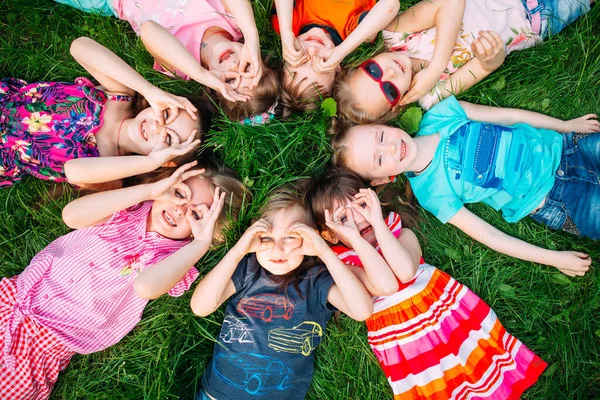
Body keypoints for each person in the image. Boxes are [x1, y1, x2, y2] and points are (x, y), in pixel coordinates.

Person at [0, 161, 248, 399]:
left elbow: (146, 287)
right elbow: (72, 215)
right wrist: (150, 191)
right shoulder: (126, 209)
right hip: (11, 300)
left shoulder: (174, 261)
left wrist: (201, 243)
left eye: (196, 214)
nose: (180, 209)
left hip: (42, 348)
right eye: (180, 194)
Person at [306, 167, 548, 399]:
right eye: (343, 217)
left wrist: (379, 224)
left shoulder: (400, 234)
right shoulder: (345, 265)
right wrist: (356, 240)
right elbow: (384, 284)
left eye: (360, 205)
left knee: (475, 361)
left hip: (443, 312)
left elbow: (405, 271)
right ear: (329, 234)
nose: (358, 218)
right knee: (435, 386)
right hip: (404, 340)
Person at [330, 96, 600, 275]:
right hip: (556, 200)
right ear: (380, 180)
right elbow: (490, 236)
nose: (389, 147)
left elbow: (505, 116)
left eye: (380, 136)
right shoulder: (431, 193)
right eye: (379, 159)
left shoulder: (440, 115)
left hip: (567, 147)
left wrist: (564, 126)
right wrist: (553, 259)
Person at [190, 184, 373, 399]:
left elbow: (362, 310)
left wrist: (324, 252)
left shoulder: (316, 281)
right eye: (266, 238)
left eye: (290, 237)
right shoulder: (247, 269)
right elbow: (200, 307)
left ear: (310, 238)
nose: (278, 249)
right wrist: (239, 250)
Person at [334, 0, 593, 123]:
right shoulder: (431, 96)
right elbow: (486, 67)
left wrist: (436, 68)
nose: (389, 72)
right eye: (388, 90)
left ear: (366, 60)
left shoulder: (396, 34)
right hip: (537, 20)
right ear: (397, 106)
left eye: (373, 70)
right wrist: (490, 57)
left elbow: (451, 2)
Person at [0, 37, 202, 190]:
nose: (158, 126)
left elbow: (73, 171)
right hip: (6, 100)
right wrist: (149, 90)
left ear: (166, 158)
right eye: (166, 115)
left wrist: (151, 163)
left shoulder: (112, 170)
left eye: (168, 137)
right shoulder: (119, 97)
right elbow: (80, 47)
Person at [55, 0, 279, 122]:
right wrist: (251, 37)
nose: (234, 66)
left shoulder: (183, 66)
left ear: (215, 88)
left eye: (231, 81)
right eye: (247, 67)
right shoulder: (234, 23)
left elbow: (149, 31)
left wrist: (202, 75)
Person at [271, 0, 399, 115]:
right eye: (321, 61)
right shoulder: (353, 33)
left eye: (301, 58)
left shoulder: (289, 25)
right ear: (337, 67)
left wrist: (285, 31)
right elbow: (390, 5)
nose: (312, 49)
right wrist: (342, 50)